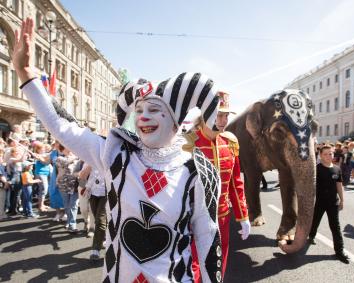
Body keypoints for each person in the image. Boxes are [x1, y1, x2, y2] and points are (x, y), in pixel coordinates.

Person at [13, 18, 223, 283]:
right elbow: (62, 126)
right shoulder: (116, 155)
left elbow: (207, 237)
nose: (144, 118)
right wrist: (25, 73)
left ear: (176, 120)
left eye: (155, 110)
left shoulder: (198, 170)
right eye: (140, 111)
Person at [184, 91, 250, 281]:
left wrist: (243, 215)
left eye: (226, 115)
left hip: (221, 217)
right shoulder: (188, 144)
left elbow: (235, 183)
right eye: (218, 114)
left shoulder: (229, 143)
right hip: (193, 221)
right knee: (195, 270)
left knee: (219, 266)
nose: (223, 120)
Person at [308, 145, 349, 264]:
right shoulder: (317, 169)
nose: (328, 156)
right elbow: (311, 186)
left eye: (330, 153)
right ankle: (311, 235)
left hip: (333, 203)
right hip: (320, 202)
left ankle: (339, 251)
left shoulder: (337, 169)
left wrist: (342, 200)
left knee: (335, 226)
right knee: (315, 220)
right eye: (325, 154)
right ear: (320, 156)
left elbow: (339, 185)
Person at [80, 164, 107, 260]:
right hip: (93, 192)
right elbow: (82, 176)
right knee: (98, 220)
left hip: (107, 192)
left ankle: (95, 250)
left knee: (100, 220)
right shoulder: (90, 157)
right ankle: (105, 237)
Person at [49, 140, 65, 221]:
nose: (56, 144)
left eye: (58, 142)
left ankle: (65, 213)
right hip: (55, 176)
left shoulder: (67, 150)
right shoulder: (53, 153)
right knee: (54, 194)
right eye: (55, 143)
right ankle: (58, 213)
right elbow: (47, 161)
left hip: (66, 176)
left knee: (65, 195)